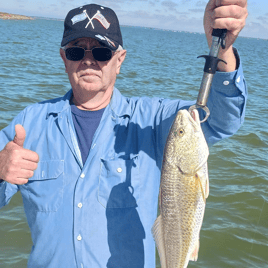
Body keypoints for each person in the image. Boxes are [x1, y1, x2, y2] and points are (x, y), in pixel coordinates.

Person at [0, 1, 248, 268]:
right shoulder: (29, 124)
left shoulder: (153, 121)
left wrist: (222, 50)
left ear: (119, 61)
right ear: (64, 59)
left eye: (102, 51)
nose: (88, 60)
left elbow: (222, 120)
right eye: (75, 51)